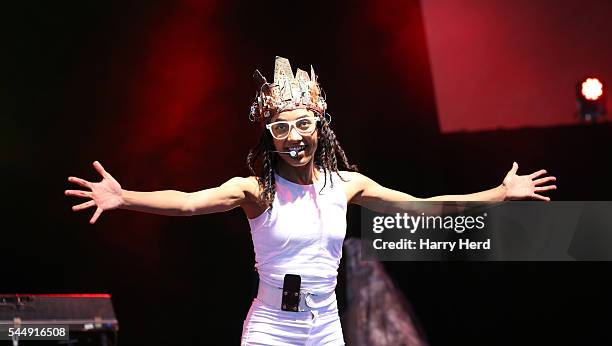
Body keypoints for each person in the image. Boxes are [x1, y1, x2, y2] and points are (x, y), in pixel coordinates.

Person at [65, 56, 557, 345]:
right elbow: (190, 203)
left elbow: (426, 206)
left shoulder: (347, 185)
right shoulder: (254, 190)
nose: (295, 137)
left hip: (325, 329)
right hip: (271, 328)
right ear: (270, 136)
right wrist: (124, 196)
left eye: (304, 125)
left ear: (319, 126)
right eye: (282, 128)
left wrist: (498, 193)